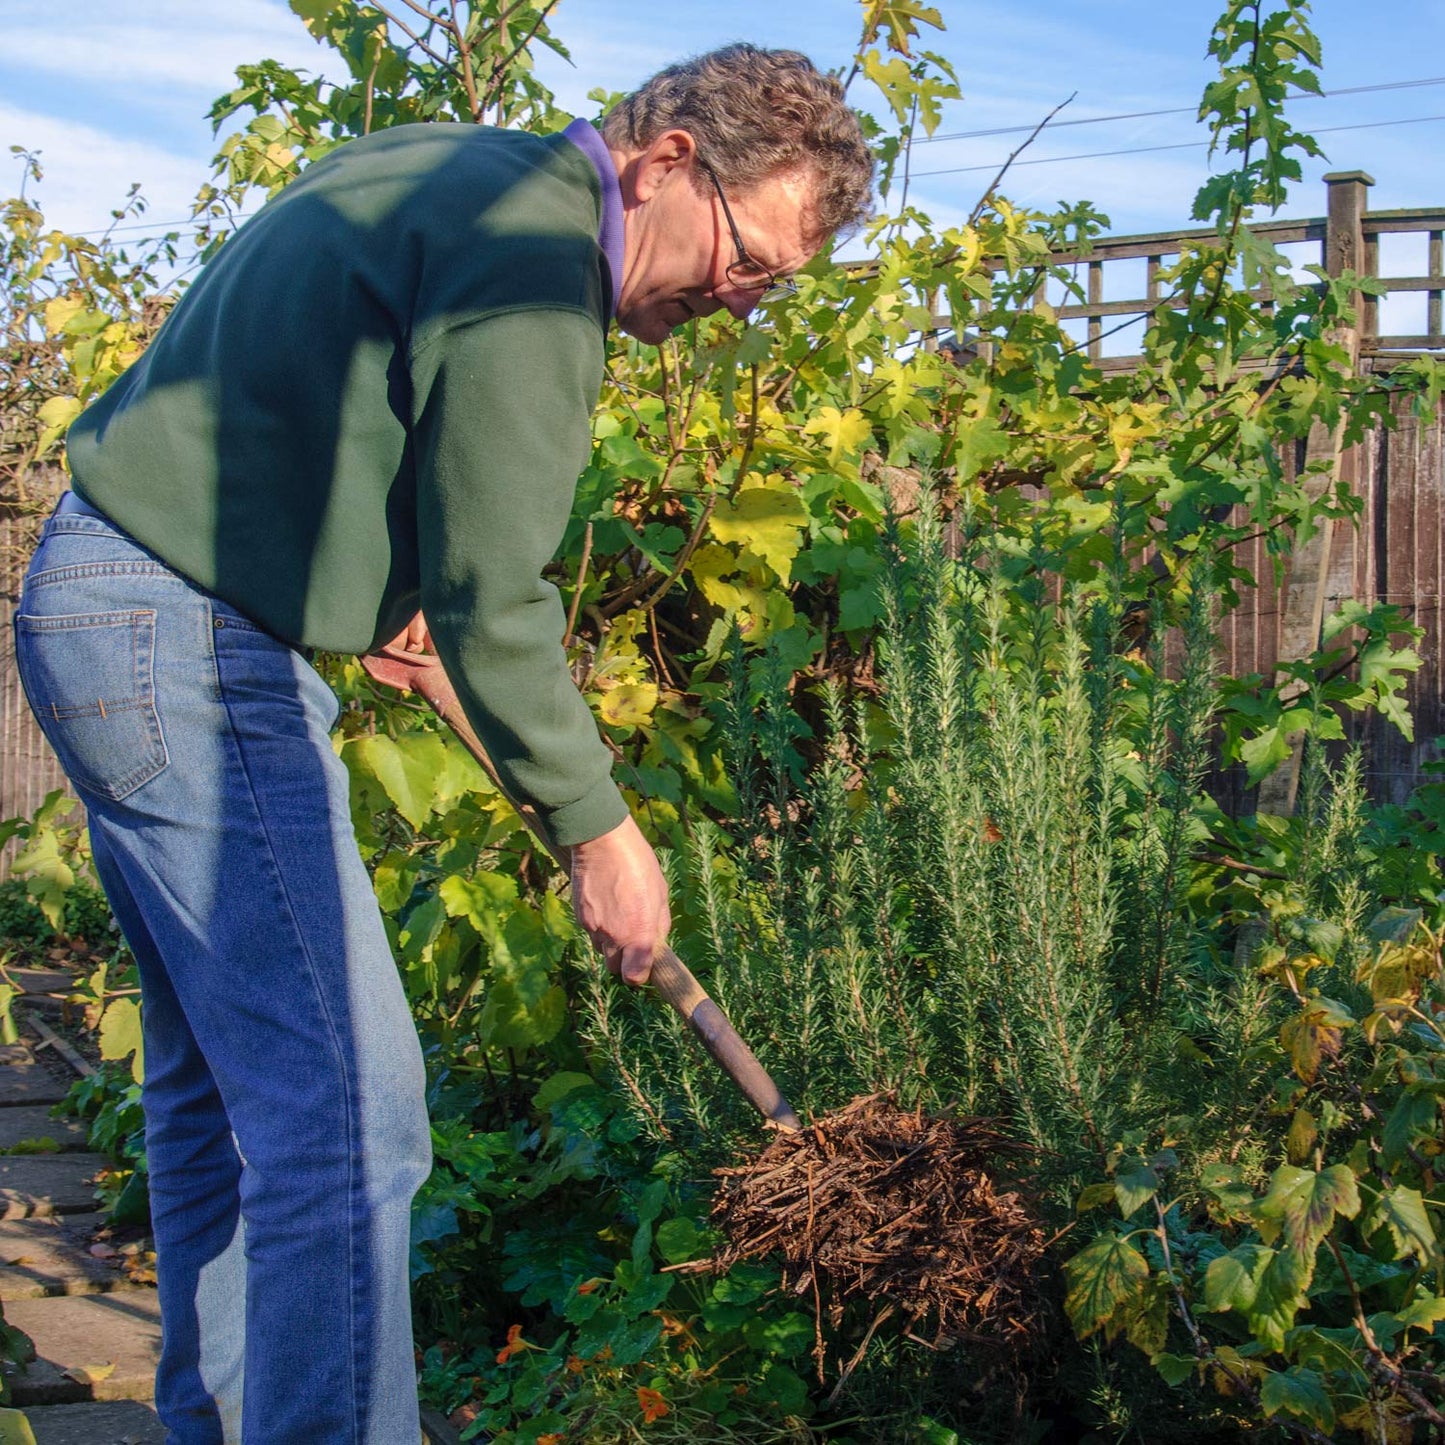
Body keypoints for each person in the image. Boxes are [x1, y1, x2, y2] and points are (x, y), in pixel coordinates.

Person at [12, 41, 873, 1445]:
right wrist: (602, 831)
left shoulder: (468, 169)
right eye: (749, 259)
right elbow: (499, 594)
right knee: (355, 1119)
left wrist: (373, 588)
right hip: (187, 636)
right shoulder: (540, 267)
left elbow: (331, 406)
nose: (738, 299)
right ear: (665, 165)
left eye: (768, 285)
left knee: (232, 1099)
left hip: (117, 598)